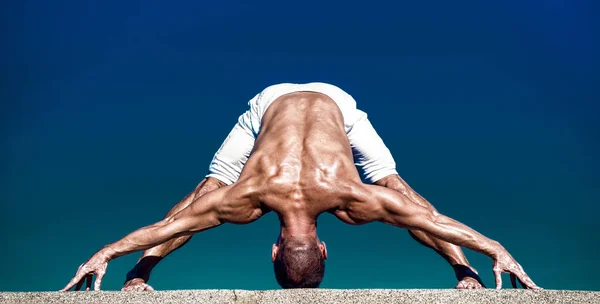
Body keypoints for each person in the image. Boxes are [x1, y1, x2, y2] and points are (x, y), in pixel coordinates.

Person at [62, 83, 539, 291]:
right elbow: (431, 219)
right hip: (317, 104)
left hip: (301, 103)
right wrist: (492, 248)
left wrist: (109, 252)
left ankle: (140, 278)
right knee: (397, 187)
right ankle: (463, 275)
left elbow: (169, 225)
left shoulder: (246, 199)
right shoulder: (350, 198)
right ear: (320, 248)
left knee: (208, 189)